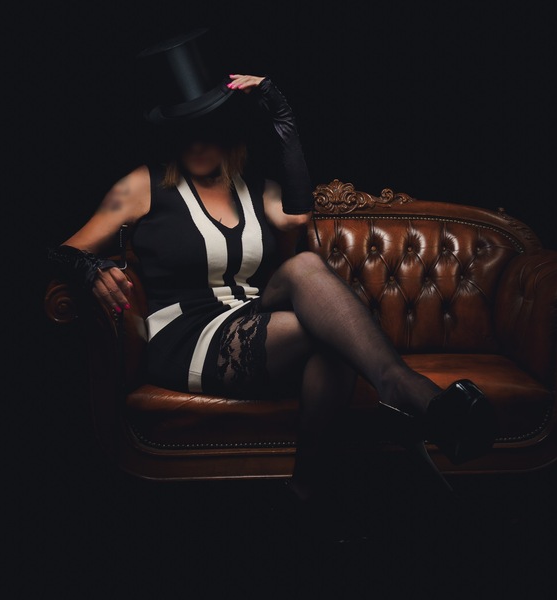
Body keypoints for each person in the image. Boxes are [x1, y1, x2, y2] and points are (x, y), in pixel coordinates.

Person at [47, 29, 497, 534]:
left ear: (226, 127)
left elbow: (297, 219)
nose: (198, 141)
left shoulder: (254, 187)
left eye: (207, 126)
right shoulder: (142, 185)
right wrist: (88, 269)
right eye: (186, 130)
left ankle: (331, 464)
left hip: (250, 315)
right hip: (186, 335)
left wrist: (284, 120)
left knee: (305, 270)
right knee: (329, 341)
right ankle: (404, 405)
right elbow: (61, 250)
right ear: (173, 135)